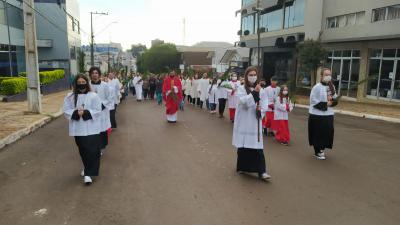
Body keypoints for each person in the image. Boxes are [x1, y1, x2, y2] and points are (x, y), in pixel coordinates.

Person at [63, 74, 103, 185]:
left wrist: (85, 112)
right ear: (75, 84)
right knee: (83, 150)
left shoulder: (93, 96)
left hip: (92, 128)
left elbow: (98, 110)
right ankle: (87, 168)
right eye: (79, 83)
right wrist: (76, 113)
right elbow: (66, 110)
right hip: (78, 129)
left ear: (87, 82)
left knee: (93, 151)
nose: (81, 84)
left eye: (83, 82)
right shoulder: (69, 96)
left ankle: (88, 174)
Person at [232, 66, 271, 180]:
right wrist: (254, 93)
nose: (253, 77)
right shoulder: (241, 89)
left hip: (254, 121)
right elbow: (244, 103)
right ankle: (243, 167)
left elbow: (264, 104)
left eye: (255, 75)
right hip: (244, 121)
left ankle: (262, 171)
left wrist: (261, 111)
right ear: (246, 76)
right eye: (250, 75)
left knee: (257, 146)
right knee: (243, 146)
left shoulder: (262, 90)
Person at [309, 68, 338, 160]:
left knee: (327, 132)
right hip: (317, 114)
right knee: (318, 133)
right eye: (326, 75)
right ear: (321, 76)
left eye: (329, 74)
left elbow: (335, 98)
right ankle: (317, 150)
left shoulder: (332, 86)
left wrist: (333, 102)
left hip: (328, 114)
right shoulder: (316, 87)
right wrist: (325, 104)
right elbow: (313, 101)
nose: (328, 76)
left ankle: (322, 148)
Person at [89, 67, 113, 152]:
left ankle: (101, 148)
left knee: (101, 130)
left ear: (99, 74)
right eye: (93, 73)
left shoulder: (105, 85)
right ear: (90, 75)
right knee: (92, 130)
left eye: (96, 73)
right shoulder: (88, 85)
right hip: (91, 111)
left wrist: (103, 105)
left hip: (102, 111)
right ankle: (94, 147)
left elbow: (110, 98)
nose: (94, 74)